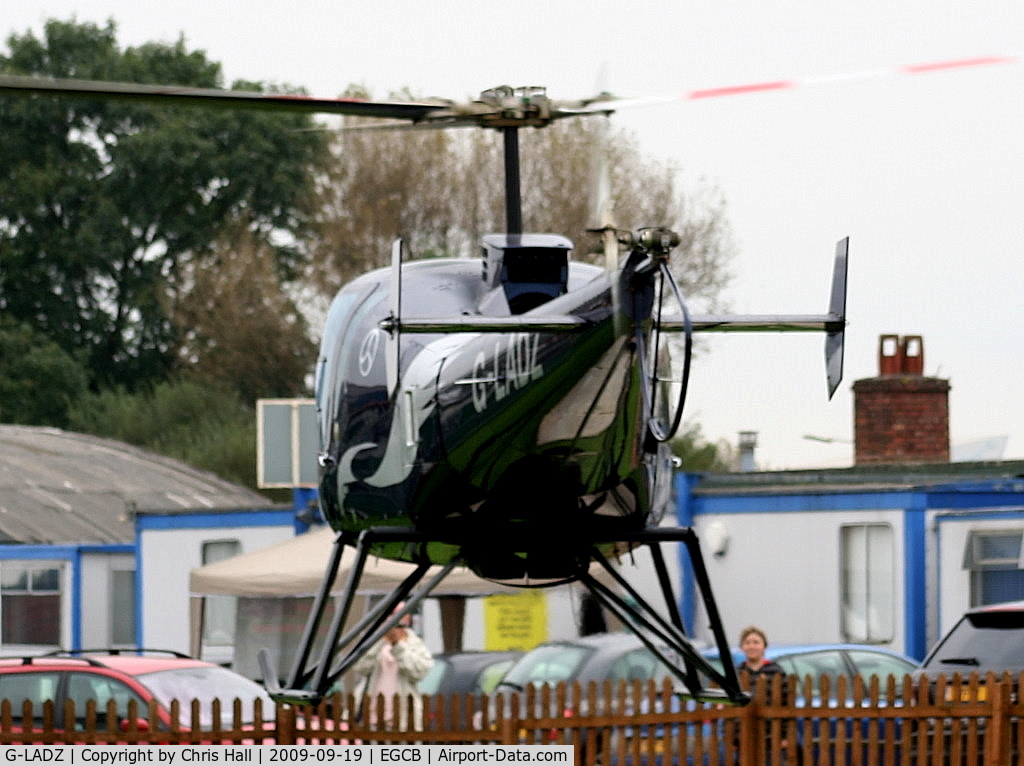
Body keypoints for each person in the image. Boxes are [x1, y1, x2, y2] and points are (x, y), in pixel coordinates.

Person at [353, 603, 434, 730]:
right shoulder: (373, 641)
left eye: (401, 613)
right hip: (372, 719)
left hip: (404, 721)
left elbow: (419, 672)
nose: (395, 618)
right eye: (391, 614)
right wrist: (380, 638)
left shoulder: (415, 643)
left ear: (408, 618)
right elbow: (360, 667)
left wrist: (397, 644)